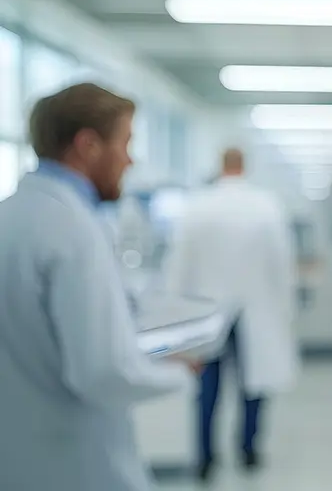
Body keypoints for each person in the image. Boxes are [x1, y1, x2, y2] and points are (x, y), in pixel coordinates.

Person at [0, 83, 198, 491]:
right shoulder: (74, 231)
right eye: (125, 143)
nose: (130, 159)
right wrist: (179, 373)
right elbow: (102, 373)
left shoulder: (12, 216)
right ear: (88, 145)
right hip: (75, 464)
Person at [163, 148, 299, 481]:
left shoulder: (198, 206)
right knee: (254, 384)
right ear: (244, 166)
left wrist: (173, 313)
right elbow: (282, 264)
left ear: (220, 166)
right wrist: (286, 309)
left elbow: (179, 264)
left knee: (207, 387)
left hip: (208, 311)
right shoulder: (266, 206)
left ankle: (205, 458)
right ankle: (248, 450)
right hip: (256, 309)